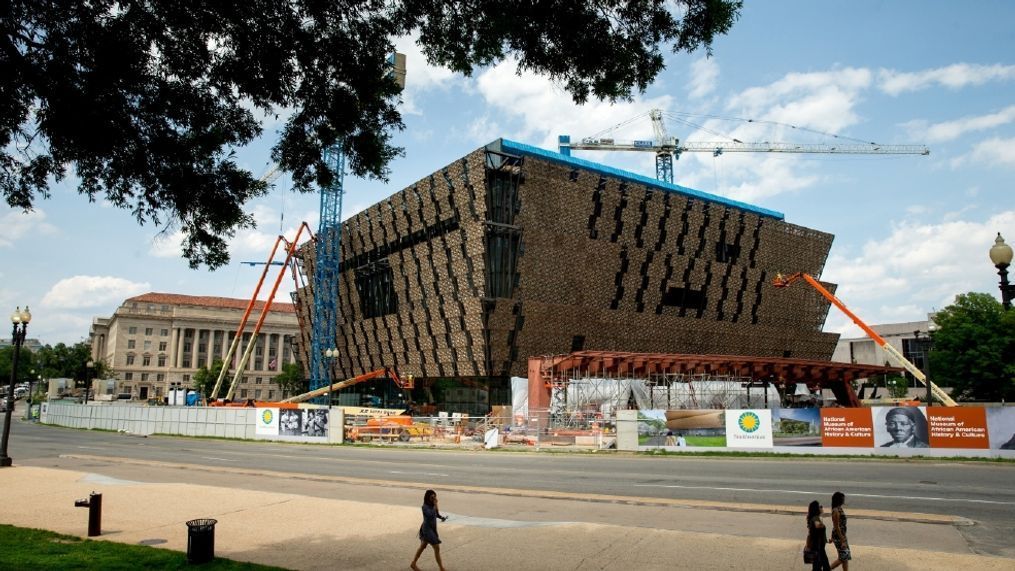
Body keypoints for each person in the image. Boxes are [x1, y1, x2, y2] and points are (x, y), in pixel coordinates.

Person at [410, 489, 448, 571]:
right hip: (427, 530)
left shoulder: (432, 505)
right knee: (437, 547)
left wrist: (441, 517)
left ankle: (413, 563)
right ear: (428, 497)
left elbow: (436, 513)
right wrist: (435, 504)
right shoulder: (424, 507)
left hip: (432, 529)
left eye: (435, 497)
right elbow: (430, 514)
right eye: (432, 497)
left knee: (422, 546)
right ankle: (441, 568)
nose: (434, 499)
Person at [806, 500, 831, 571]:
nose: (821, 507)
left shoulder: (814, 517)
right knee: (823, 566)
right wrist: (821, 524)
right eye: (819, 506)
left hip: (818, 546)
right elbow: (817, 526)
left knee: (818, 566)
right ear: (816, 509)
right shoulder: (815, 518)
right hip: (818, 546)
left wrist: (807, 545)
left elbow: (810, 534)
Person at [829, 491, 850, 570]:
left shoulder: (839, 508)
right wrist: (842, 540)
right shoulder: (836, 511)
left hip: (841, 535)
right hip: (839, 537)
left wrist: (832, 538)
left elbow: (836, 526)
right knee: (843, 557)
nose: (844, 500)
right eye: (842, 499)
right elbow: (836, 527)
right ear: (839, 500)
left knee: (845, 557)